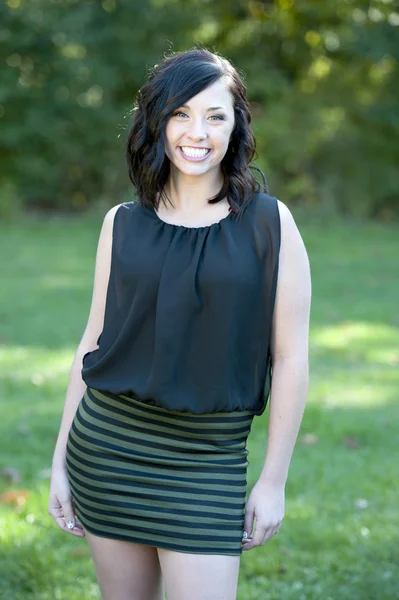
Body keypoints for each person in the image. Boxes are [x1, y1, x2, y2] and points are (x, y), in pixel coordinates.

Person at [48, 46, 311, 600]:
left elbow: (290, 358)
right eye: (181, 114)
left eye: (216, 115)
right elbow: (93, 342)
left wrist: (273, 481)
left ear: (236, 126)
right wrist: (60, 461)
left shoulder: (270, 224)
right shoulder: (121, 224)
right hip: (108, 449)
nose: (199, 132)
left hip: (207, 460)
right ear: (158, 122)